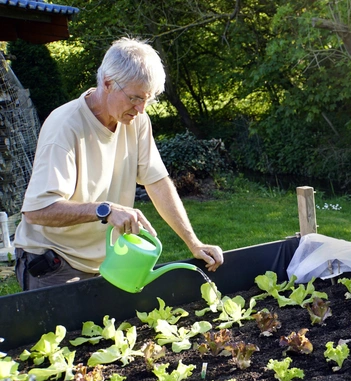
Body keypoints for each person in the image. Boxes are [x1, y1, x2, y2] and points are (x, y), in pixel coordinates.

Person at [13, 37, 223, 291]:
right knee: (65, 333)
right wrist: (106, 210)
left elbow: (156, 182)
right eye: (135, 98)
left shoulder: (136, 121)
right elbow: (37, 211)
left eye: (149, 99)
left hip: (108, 262)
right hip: (55, 263)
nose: (142, 109)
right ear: (108, 83)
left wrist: (193, 242)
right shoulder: (64, 127)